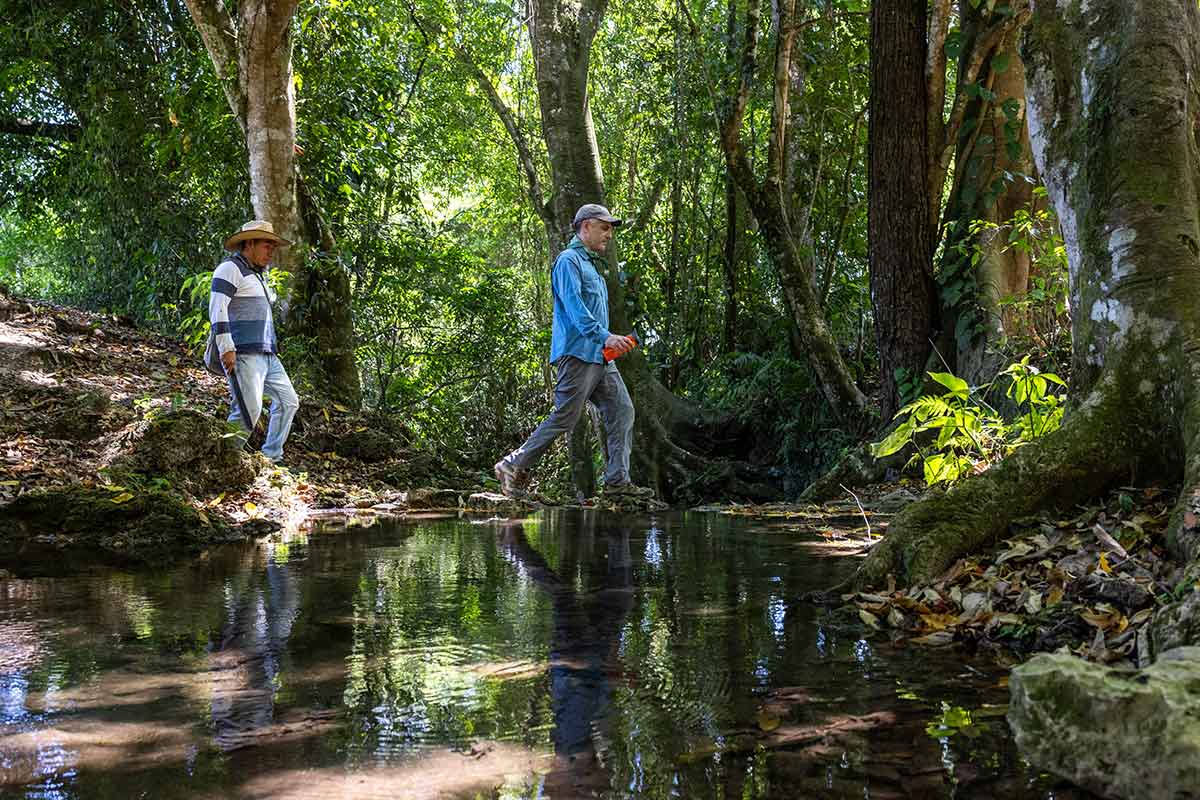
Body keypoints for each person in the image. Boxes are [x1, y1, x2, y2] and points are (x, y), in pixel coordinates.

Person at [494, 204, 652, 498]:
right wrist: (605, 337)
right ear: (586, 227)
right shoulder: (568, 261)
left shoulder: (592, 265)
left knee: (622, 409)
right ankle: (511, 465)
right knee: (566, 416)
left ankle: (618, 482)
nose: (609, 235)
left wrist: (608, 343)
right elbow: (576, 310)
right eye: (604, 228)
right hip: (578, 354)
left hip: (601, 358)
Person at [205, 220, 300, 464]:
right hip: (244, 352)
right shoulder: (230, 268)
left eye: (273, 246)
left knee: (288, 401)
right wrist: (226, 348)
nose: (271, 251)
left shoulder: (258, 275)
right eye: (267, 245)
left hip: (268, 354)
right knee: (249, 411)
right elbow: (217, 309)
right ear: (249, 244)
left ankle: (271, 458)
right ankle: (225, 461)